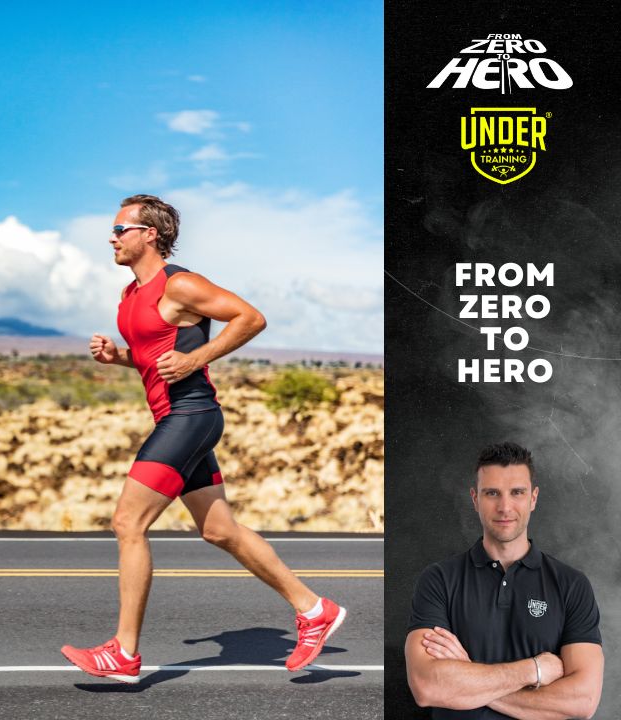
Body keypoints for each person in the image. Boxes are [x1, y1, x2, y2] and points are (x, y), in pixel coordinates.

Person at [59, 194, 346, 684]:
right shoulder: (130, 296)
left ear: (149, 234)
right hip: (174, 418)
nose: (111, 237)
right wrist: (119, 357)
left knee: (128, 523)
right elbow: (154, 355)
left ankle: (123, 653)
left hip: (190, 415)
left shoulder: (182, 284)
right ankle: (314, 609)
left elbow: (251, 318)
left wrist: (198, 359)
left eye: (120, 228)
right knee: (219, 531)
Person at [405, 442, 604, 719]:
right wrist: (534, 670)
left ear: (533, 498)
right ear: (475, 499)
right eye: (492, 493)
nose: (505, 506)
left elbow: (583, 701)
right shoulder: (439, 579)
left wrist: (468, 676)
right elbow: (427, 687)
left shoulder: (571, 585)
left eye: (517, 493)